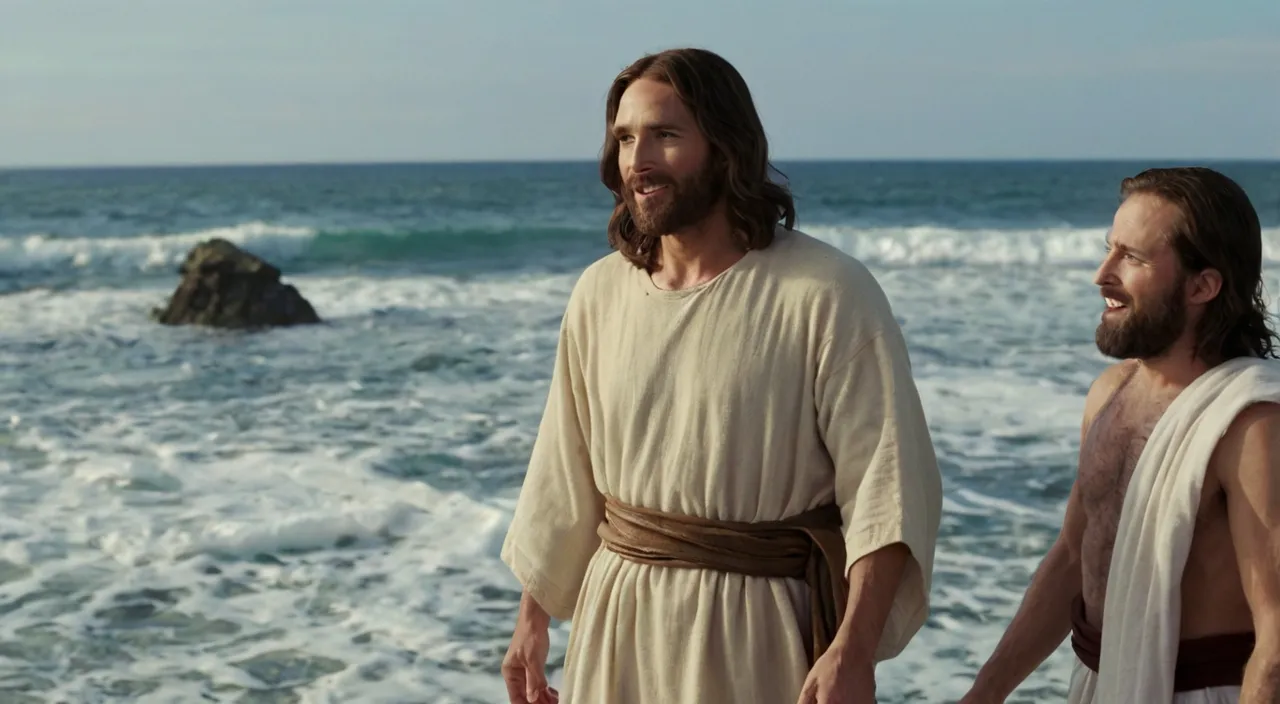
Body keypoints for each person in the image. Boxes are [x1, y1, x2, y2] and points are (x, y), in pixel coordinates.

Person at [497, 47, 943, 704]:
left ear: (726, 146)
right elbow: (565, 472)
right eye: (624, 138)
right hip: (617, 624)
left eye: (665, 135)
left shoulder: (824, 291)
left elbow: (887, 485)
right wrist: (531, 623)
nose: (636, 160)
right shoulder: (599, 293)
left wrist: (853, 650)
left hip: (760, 635)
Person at [959, 167, 1280, 704]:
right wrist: (985, 692)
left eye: (1132, 258)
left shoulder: (1251, 424)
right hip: (1098, 686)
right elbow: (1072, 556)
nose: (1102, 274)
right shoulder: (1110, 392)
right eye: (1110, 249)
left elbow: (1275, 639)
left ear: (1203, 285)